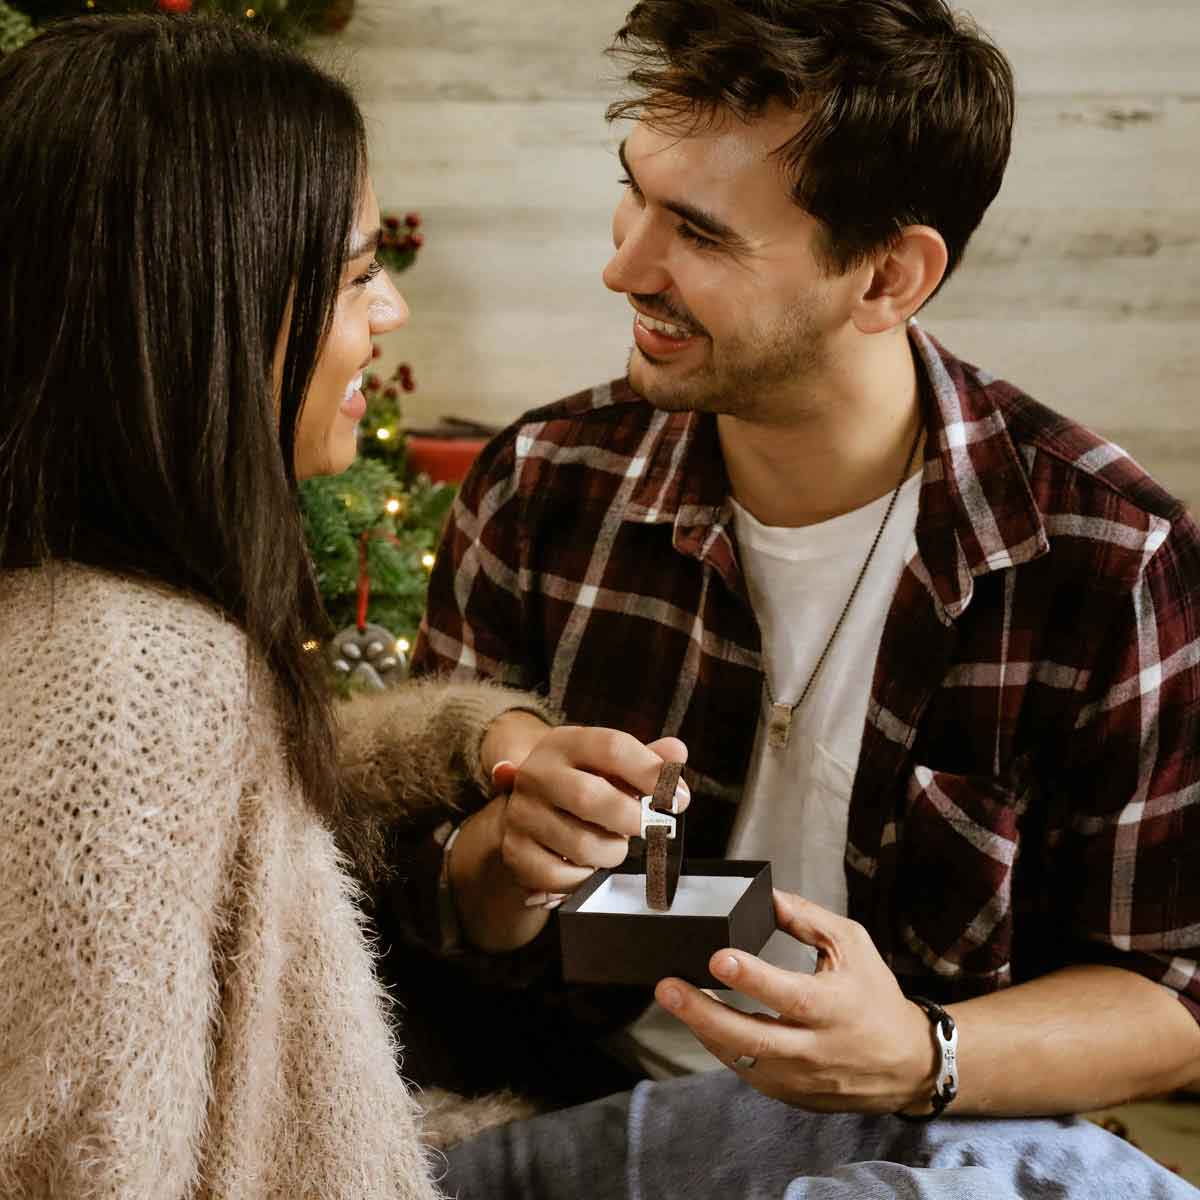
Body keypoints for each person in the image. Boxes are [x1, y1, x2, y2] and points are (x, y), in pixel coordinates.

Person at [404, 0, 1200, 1194]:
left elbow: (1171, 994)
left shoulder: (1109, 555)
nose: (623, 265)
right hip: (568, 1111)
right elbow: (420, 898)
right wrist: (506, 860)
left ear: (888, 276)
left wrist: (920, 1055)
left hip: (919, 1138)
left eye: (701, 235)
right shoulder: (542, 485)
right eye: (636, 193)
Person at [0, 14, 691, 1195]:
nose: (391, 317)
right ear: (206, 304)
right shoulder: (131, 674)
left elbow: (225, 776)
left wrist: (478, 741)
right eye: (359, 274)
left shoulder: (95, 612)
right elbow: (98, 1164)